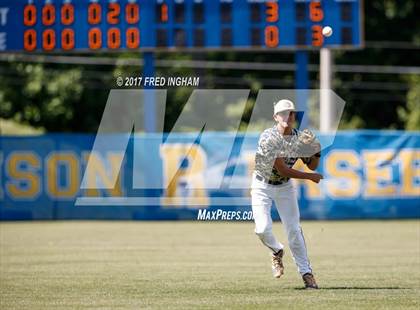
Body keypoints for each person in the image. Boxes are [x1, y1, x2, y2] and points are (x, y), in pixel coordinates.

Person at [251, 99, 323, 289]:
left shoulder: (300, 138)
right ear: (275, 117)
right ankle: (276, 250)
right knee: (262, 229)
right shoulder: (269, 137)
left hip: (284, 187)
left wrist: (316, 152)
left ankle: (307, 274)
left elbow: (312, 164)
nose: (288, 116)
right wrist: (310, 177)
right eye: (283, 113)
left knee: (293, 230)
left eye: (291, 113)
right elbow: (282, 169)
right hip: (262, 185)